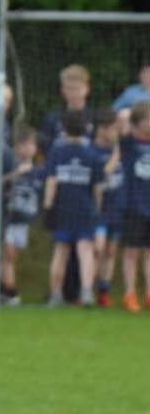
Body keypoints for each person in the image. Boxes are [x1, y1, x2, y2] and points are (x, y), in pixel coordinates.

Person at [42, 109, 106, 307]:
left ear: (65, 128)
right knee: (85, 250)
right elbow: (97, 187)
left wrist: (47, 205)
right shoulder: (92, 154)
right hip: (84, 208)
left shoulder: (56, 151)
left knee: (61, 251)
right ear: (86, 129)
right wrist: (97, 208)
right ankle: (86, 293)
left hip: (62, 207)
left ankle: (55, 294)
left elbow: (51, 181)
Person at [111, 101, 150, 311]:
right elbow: (121, 120)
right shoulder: (129, 143)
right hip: (133, 206)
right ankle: (129, 293)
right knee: (131, 253)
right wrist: (129, 115)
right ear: (139, 122)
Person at [2, 124, 44, 306]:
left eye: (31, 144)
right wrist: (15, 174)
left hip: (23, 220)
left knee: (13, 257)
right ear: (15, 147)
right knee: (8, 255)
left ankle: (3, 288)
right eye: (23, 144)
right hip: (8, 218)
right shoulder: (10, 165)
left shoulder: (38, 169)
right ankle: (10, 291)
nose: (28, 149)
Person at [91, 110, 124, 307]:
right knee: (98, 249)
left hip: (117, 209)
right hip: (98, 210)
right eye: (112, 129)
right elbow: (102, 175)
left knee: (111, 252)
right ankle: (87, 288)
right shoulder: (93, 151)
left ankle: (104, 293)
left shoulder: (122, 150)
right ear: (102, 129)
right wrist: (117, 155)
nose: (114, 133)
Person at [38, 64, 94, 154]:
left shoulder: (96, 118)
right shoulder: (52, 118)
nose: (73, 93)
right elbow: (45, 148)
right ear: (63, 90)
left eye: (77, 89)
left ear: (87, 89)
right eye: (69, 88)